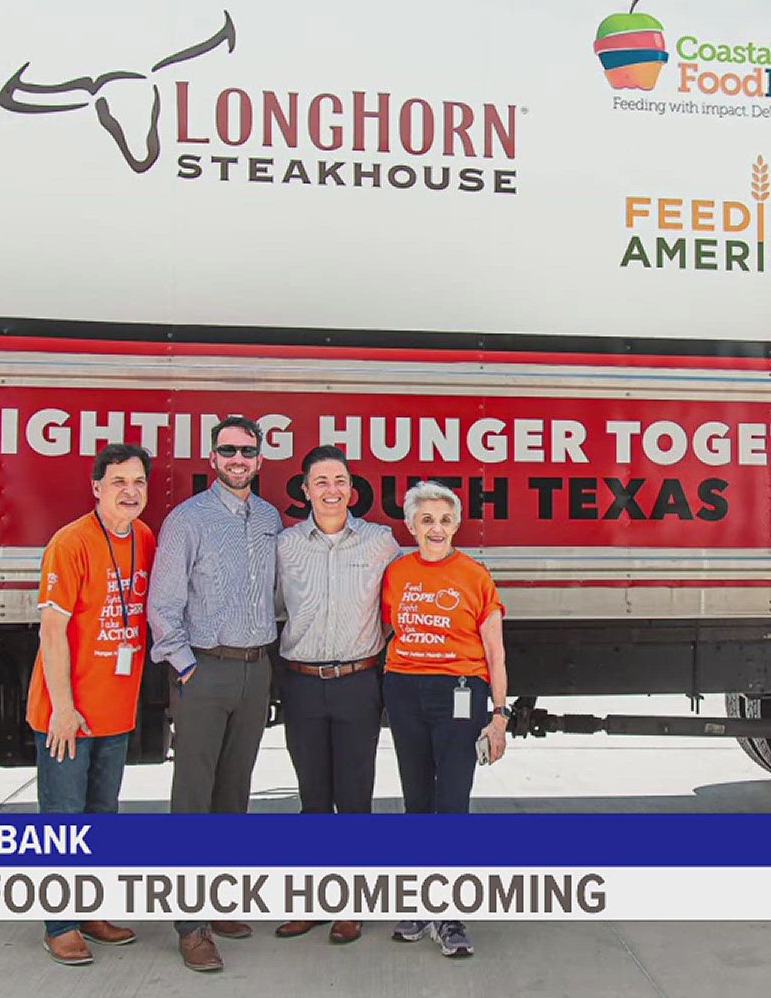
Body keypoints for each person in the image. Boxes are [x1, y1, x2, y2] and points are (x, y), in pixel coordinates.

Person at [148, 414, 283, 972]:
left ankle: (220, 902)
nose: (238, 459)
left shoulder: (271, 517)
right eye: (228, 450)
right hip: (205, 670)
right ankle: (189, 924)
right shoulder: (187, 520)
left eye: (247, 450)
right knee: (193, 798)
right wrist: (185, 669)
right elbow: (162, 605)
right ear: (213, 458)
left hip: (256, 671)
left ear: (259, 458)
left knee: (235, 792)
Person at [30, 443, 155, 966]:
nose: (131, 491)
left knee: (102, 816)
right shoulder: (71, 542)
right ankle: (59, 924)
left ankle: (92, 910)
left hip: (114, 710)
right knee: (63, 817)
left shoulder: (144, 538)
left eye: (139, 482)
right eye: (120, 482)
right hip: (68, 714)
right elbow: (52, 630)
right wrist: (63, 707)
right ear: (97, 488)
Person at [272, 445, 401, 946]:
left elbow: (403, 596)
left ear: (352, 489)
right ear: (305, 490)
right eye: (321, 481)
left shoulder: (380, 541)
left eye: (340, 480)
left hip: (357, 684)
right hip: (302, 683)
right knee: (313, 800)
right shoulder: (285, 546)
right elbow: (275, 605)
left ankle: (352, 905)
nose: (331, 489)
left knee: (354, 799)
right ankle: (310, 901)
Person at [380, 480, 510, 958]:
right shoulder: (396, 573)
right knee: (416, 800)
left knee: (451, 800)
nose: (436, 528)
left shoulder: (474, 575)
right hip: (404, 689)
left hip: (460, 693)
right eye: (426, 519)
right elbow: (390, 625)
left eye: (445, 519)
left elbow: (495, 651)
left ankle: (450, 913)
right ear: (412, 525)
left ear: (456, 525)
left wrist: (498, 715)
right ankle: (418, 903)